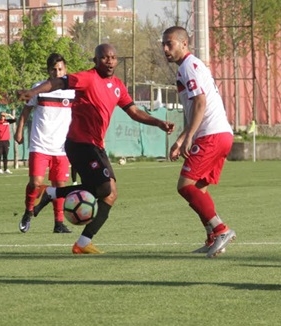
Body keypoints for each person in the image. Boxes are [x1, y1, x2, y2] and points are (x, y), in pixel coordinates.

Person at [18, 43, 174, 254]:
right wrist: (33, 92)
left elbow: (134, 111)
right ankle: (53, 193)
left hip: (96, 146)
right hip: (79, 143)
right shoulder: (87, 78)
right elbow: (58, 82)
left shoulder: (118, 85)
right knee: (104, 189)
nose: (109, 61)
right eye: (104, 57)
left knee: (110, 195)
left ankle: (81, 242)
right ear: (95, 60)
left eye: (113, 57)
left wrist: (158, 122)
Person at [161, 26, 236, 258]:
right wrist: (182, 138)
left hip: (211, 135)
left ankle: (221, 229)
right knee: (199, 189)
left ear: (184, 44)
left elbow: (201, 103)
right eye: (163, 44)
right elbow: (195, 109)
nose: (165, 49)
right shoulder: (189, 67)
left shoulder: (188, 66)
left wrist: (190, 136)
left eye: (170, 43)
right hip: (220, 134)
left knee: (185, 186)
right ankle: (212, 237)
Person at [15, 53, 73, 234]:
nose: (57, 72)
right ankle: (28, 211)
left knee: (60, 186)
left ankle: (59, 223)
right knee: (35, 183)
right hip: (39, 144)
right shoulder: (38, 89)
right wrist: (19, 130)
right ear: (48, 71)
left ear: (65, 69)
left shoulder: (72, 91)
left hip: (62, 147)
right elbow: (26, 110)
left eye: (60, 69)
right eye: (54, 69)